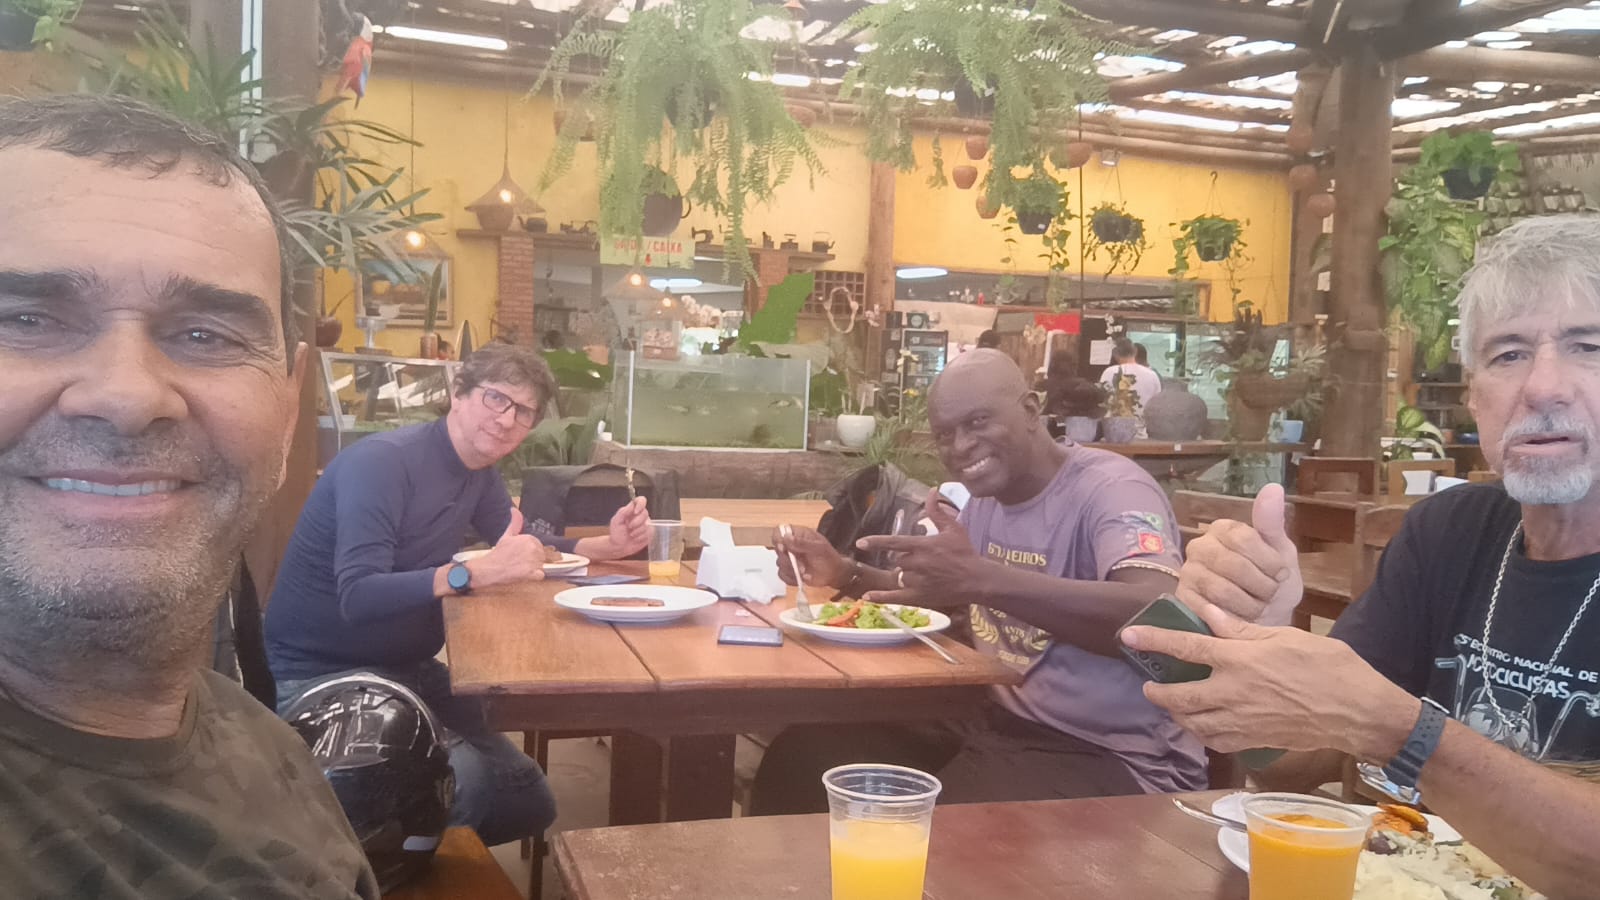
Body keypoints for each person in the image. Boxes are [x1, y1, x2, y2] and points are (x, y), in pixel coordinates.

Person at [1123, 215, 1600, 899]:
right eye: (1508, 354)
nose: (1543, 386)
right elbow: (1292, 765)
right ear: (1474, 396)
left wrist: (1399, 731)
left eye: (1588, 346)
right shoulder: (1450, 533)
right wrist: (1258, 637)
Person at [0, 94, 377, 897]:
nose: (128, 395)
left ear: (288, 407)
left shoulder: (271, 751)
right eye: (27, 319)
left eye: (205, 335)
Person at [752, 350, 1205, 812]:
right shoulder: (989, 499)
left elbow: (1159, 617)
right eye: (944, 435)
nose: (960, 446)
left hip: (1112, 754)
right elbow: (948, 591)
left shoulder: (1112, 489)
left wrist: (985, 580)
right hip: (993, 720)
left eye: (978, 422)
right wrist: (844, 572)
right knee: (802, 761)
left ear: (1030, 411)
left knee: (937, 828)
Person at [265, 341, 651, 847]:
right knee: (462, 784)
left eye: (524, 411)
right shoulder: (381, 465)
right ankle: (374, 858)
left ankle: (410, 849)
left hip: (408, 669)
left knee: (530, 801)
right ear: (458, 392)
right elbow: (357, 596)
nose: (508, 419)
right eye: (497, 398)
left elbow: (522, 547)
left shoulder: (478, 474)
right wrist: (468, 574)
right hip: (321, 673)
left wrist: (607, 545)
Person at [1099, 337, 1161, 412]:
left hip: (1114, 418)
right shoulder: (1152, 375)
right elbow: (1159, 401)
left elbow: (1101, 399)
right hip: (1145, 418)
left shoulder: (1109, 372)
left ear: (1115, 354)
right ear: (1135, 352)